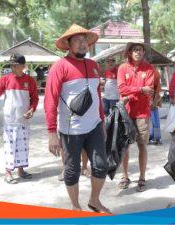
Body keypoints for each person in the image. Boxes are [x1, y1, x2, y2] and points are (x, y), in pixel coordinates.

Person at [44, 24, 110, 213]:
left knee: (101, 165)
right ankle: (75, 207)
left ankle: (95, 201)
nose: (82, 44)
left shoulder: (93, 65)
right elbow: (50, 100)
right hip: (71, 129)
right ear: (68, 44)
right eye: (78, 41)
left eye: (84, 41)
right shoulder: (60, 67)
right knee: (72, 170)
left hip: (95, 125)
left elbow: (97, 95)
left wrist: (102, 121)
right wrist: (51, 133)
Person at [0, 53, 39, 184]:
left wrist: (31, 109)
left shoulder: (30, 81)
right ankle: (8, 173)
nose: (13, 68)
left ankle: (21, 171)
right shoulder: (5, 79)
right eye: (11, 65)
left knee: (23, 146)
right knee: (10, 146)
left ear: (23, 66)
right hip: (10, 120)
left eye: (16, 65)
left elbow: (35, 99)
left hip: (24, 121)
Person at [117, 42, 156, 192]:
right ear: (129, 53)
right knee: (125, 147)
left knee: (142, 146)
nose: (138, 52)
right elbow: (121, 88)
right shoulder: (122, 68)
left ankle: (142, 177)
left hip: (142, 113)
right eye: (134, 50)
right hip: (125, 113)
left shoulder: (149, 69)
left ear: (143, 53)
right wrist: (140, 89)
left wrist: (131, 92)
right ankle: (125, 176)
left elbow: (149, 90)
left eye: (140, 50)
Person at [148, 69, 162, 145]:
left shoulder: (155, 72)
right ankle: (151, 137)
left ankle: (157, 138)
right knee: (150, 121)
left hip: (153, 102)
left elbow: (157, 90)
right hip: (147, 102)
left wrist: (154, 102)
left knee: (154, 121)